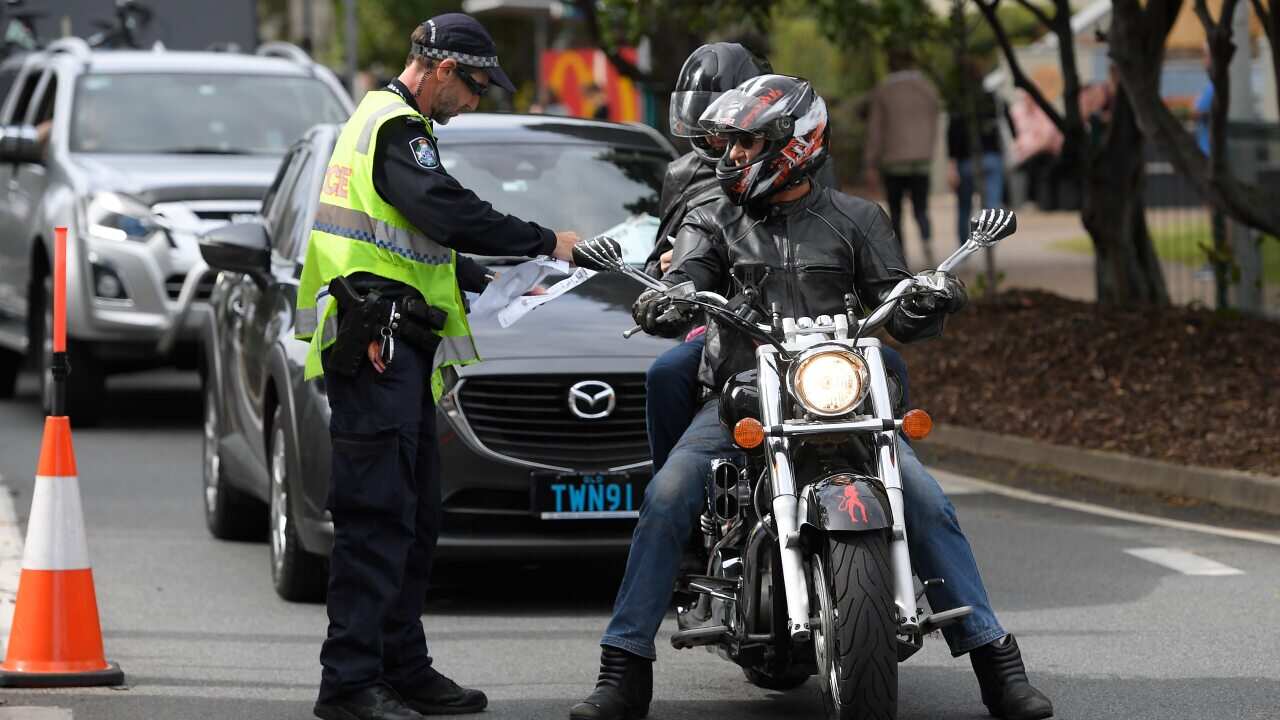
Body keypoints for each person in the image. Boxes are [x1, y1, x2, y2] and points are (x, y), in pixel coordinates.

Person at [570, 75, 1053, 720]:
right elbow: (683, 279)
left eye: (747, 144)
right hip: (741, 397)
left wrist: (933, 298)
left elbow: (899, 300)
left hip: (841, 399)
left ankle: (998, 663)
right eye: (731, 146)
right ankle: (622, 671)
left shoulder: (857, 219)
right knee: (666, 494)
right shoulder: (714, 218)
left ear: (793, 144)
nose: (732, 157)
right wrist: (664, 297)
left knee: (929, 502)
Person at [295, 13, 580, 720]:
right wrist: (546, 243)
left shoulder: (386, 124)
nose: (477, 101)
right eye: (477, 86)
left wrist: (488, 278)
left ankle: (402, 668)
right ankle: (350, 684)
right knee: (376, 521)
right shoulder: (396, 128)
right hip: (375, 349)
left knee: (414, 521)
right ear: (445, 72)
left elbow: (416, 239)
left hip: (398, 353)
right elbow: (444, 211)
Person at [864, 47, 941, 264]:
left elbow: (876, 129)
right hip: (921, 159)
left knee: (895, 212)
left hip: (894, 161)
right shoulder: (927, 88)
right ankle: (927, 247)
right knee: (921, 208)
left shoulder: (884, 90)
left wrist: (871, 161)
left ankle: (900, 256)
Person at [948, 62, 1011, 246]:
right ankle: (990, 244)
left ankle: (964, 247)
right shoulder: (992, 100)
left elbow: (952, 136)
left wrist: (952, 165)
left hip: (966, 161)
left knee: (964, 206)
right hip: (991, 156)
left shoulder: (958, 104)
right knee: (992, 203)